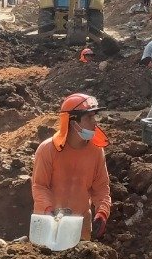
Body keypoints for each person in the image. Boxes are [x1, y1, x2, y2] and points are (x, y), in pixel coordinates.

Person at [31, 93, 112, 240]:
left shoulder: (96, 151)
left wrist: (102, 213)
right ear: (73, 122)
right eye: (89, 117)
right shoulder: (48, 149)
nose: (95, 122)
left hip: (79, 227)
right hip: (47, 224)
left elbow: (101, 188)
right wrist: (49, 212)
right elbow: (40, 186)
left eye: (95, 116)